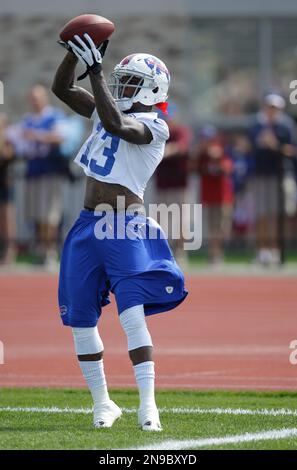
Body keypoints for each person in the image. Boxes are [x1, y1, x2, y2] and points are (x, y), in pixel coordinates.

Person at [52, 34, 187, 431]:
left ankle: (149, 405)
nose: (120, 86)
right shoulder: (106, 108)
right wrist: (73, 56)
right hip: (86, 222)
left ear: (153, 89)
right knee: (80, 319)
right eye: (119, 79)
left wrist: (95, 72)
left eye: (129, 82)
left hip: (123, 224)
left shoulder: (155, 126)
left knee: (130, 315)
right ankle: (103, 403)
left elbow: (116, 123)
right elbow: (61, 89)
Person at [249, 91, 297, 265]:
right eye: (269, 107)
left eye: (275, 108)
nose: (271, 111)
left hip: (281, 175)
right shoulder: (256, 126)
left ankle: (277, 250)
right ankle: (263, 252)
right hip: (262, 175)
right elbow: (250, 149)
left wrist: (275, 145)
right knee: (261, 214)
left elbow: (292, 150)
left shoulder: (286, 127)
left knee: (278, 215)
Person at [21, 85, 66, 268]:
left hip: (50, 170)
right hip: (33, 171)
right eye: (32, 98)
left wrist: (37, 136)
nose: (35, 102)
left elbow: (60, 137)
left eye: (37, 98)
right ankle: (41, 249)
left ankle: (50, 251)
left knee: (50, 214)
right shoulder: (28, 119)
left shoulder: (54, 116)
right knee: (37, 214)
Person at [154, 111, 192, 264]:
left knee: (180, 218)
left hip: (178, 183)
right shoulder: (157, 131)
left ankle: (181, 251)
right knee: (162, 218)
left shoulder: (180, 131)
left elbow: (180, 147)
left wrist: (166, 151)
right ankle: (164, 250)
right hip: (162, 183)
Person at [194, 126, 234, 264]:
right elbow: (194, 168)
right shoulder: (201, 156)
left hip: (222, 197)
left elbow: (228, 168)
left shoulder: (222, 152)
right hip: (208, 197)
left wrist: (218, 159)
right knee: (211, 226)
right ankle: (213, 253)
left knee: (222, 226)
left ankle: (218, 251)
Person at [0, 113, 16, 264]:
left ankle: (10, 251)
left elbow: (8, 155)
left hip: (5, 183)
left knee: (7, 217)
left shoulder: (8, 142)